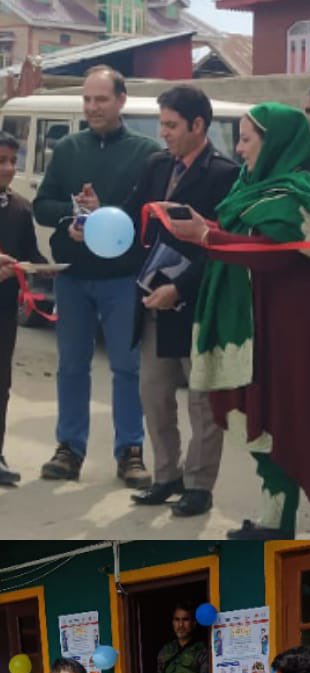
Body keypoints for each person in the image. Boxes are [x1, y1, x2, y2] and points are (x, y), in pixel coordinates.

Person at [169, 104, 310, 540]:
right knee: (264, 418)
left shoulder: (301, 193)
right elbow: (244, 240)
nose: (238, 149)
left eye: (246, 139)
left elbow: (276, 254)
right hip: (263, 324)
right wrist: (206, 227)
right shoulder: (250, 185)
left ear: (276, 141)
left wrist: (207, 236)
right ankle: (273, 518)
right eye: (238, 138)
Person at [33, 66, 159, 487]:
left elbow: (152, 215)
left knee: (126, 367)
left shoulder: (146, 153)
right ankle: (69, 448)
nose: (92, 107)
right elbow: (42, 205)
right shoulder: (67, 149)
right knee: (72, 365)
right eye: (87, 100)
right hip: (72, 276)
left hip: (123, 280)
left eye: (101, 99)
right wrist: (71, 217)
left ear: (121, 101)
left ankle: (131, 453)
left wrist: (109, 215)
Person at [125, 86, 239, 518]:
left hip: (200, 304)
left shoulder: (224, 174)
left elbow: (222, 248)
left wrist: (183, 287)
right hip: (154, 300)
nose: (163, 133)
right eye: (162, 124)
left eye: (171, 125)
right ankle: (166, 475)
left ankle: (198, 484)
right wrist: (99, 214)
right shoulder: (156, 166)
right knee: (153, 394)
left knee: (203, 402)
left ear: (198, 125)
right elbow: (136, 219)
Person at [0, 130, 46, 486]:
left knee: (1, 382)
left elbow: (31, 255)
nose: (8, 169)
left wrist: (51, 267)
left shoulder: (20, 207)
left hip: (4, 311)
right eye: (1, 161)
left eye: (13, 161)